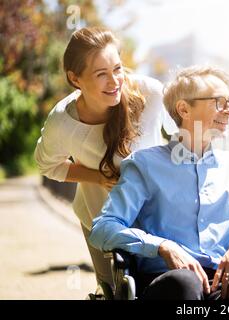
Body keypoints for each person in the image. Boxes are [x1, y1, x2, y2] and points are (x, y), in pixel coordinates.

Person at [89, 65, 229, 300]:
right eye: (219, 102)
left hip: (223, 288)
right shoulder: (144, 165)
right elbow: (103, 228)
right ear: (184, 109)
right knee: (184, 282)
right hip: (169, 285)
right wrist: (162, 246)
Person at [34, 27, 178, 292]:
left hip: (157, 221)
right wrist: (98, 177)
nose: (114, 82)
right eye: (101, 74)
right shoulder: (63, 122)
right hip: (102, 223)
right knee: (115, 290)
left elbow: (183, 135)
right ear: (75, 78)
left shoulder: (153, 94)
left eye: (117, 69)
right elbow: (47, 165)